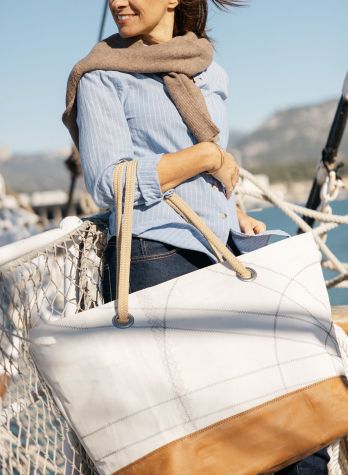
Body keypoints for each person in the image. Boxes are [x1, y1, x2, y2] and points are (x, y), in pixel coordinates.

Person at [63, 1, 330, 473]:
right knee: (207, 439)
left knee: (298, 427)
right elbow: (109, 182)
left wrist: (236, 210)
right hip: (157, 257)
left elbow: (209, 169)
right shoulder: (101, 75)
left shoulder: (209, 69)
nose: (116, 1)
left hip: (222, 249)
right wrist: (204, 157)